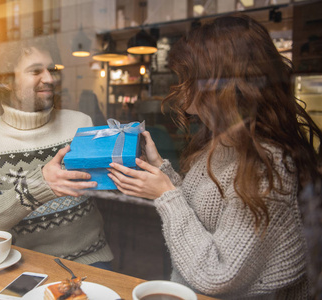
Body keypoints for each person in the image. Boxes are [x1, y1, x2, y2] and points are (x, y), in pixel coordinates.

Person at [108, 15, 321, 299]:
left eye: (187, 79)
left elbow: (217, 275)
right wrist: (163, 172)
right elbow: (207, 215)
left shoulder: (268, 165)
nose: (178, 89)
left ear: (221, 86)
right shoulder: (224, 139)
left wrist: (166, 195)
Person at [0, 37, 113, 269]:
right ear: (6, 81)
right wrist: (39, 185)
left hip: (91, 259)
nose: (50, 79)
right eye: (35, 71)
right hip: (22, 267)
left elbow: (109, 185)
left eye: (52, 70)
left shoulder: (80, 123)